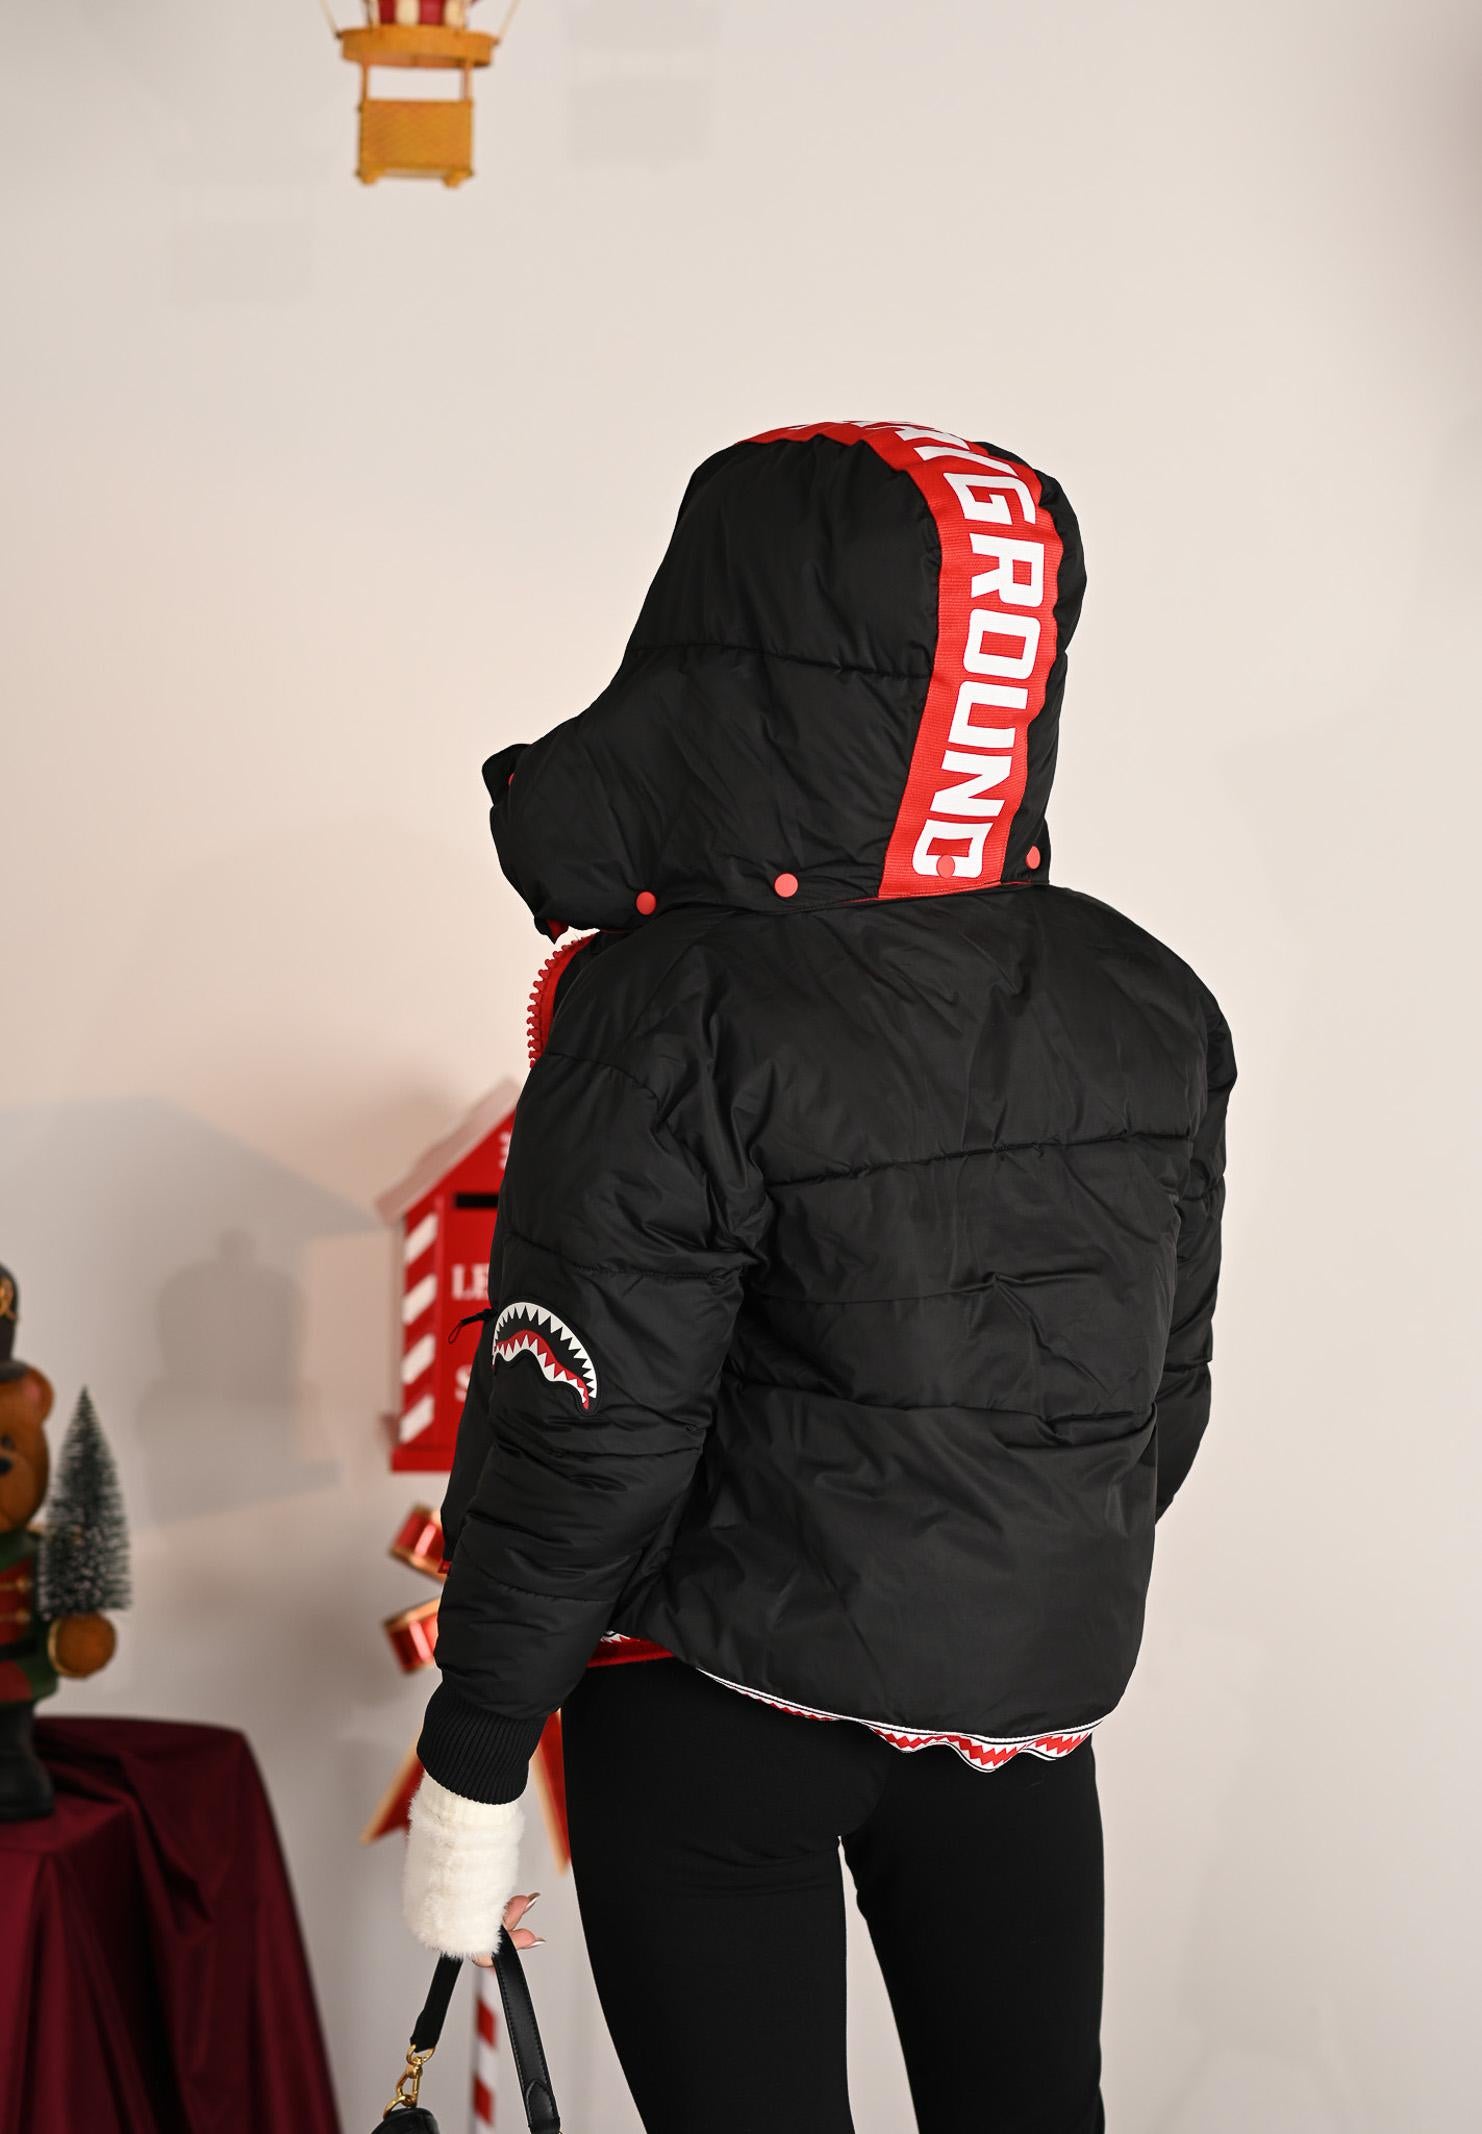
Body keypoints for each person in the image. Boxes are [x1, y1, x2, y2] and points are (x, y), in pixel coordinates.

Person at [402, 420, 1235, 2134]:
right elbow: (1158, 1395)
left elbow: (587, 1424)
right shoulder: (1144, 993)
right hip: (1013, 1709)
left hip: (711, 1706)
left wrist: (475, 1752)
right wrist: (995, 1579)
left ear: (716, 642)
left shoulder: (671, 999)